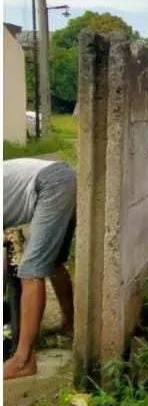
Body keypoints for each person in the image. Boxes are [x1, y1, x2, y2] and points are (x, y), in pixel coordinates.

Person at [3, 159, 77, 380]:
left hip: (50, 183)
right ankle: (69, 324)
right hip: (62, 176)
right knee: (53, 261)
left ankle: (23, 360)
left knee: (30, 270)